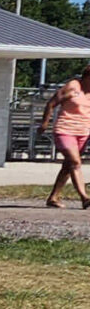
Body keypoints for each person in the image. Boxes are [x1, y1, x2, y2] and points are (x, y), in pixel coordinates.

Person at [41, 65, 90, 209]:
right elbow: (51, 104)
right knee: (75, 162)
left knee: (68, 166)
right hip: (65, 130)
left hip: (83, 132)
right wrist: (44, 123)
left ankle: (53, 197)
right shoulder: (73, 87)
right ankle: (85, 197)